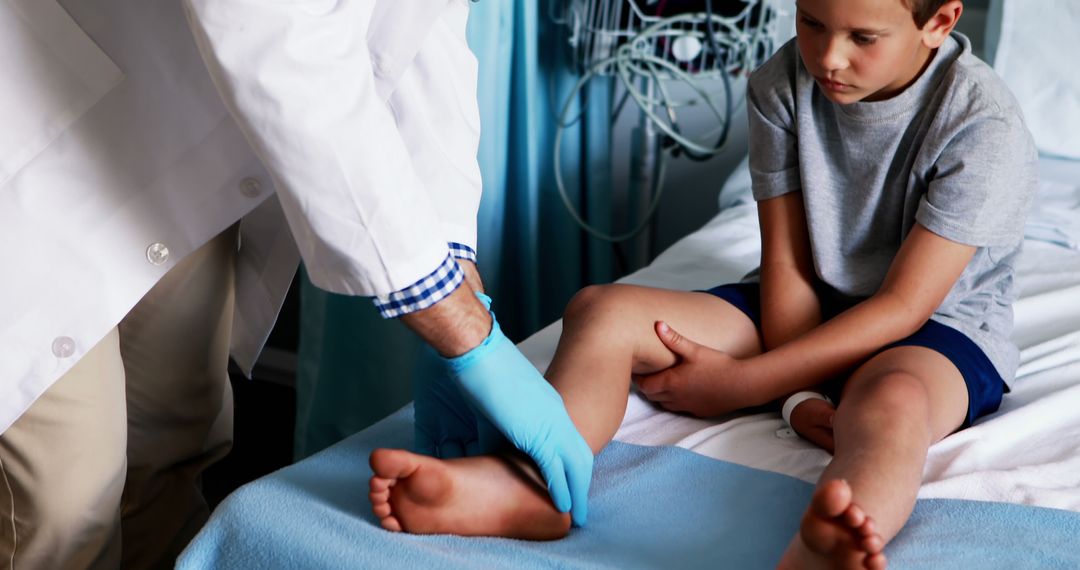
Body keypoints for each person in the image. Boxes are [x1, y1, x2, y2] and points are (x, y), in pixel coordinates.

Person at [367, 0, 1039, 568]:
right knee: (601, 312)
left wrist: (749, 383)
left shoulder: (983, 126)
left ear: (940, 21)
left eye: (863, 38)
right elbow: (787, 263)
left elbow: (902, 306)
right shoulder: (783, 82)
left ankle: (830, 540)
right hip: (804, 301)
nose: (829, 58)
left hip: (931, 327)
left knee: (889, 403)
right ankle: (534, 489)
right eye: (811, 23)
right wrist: (797, 391)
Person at [2, 0, 590, 568]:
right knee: (68, 504)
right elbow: (270, 30)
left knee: (174, 441)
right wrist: (463, 332)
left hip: (174, 145)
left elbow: (421, 35)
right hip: (39, 117)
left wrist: (458, 271)